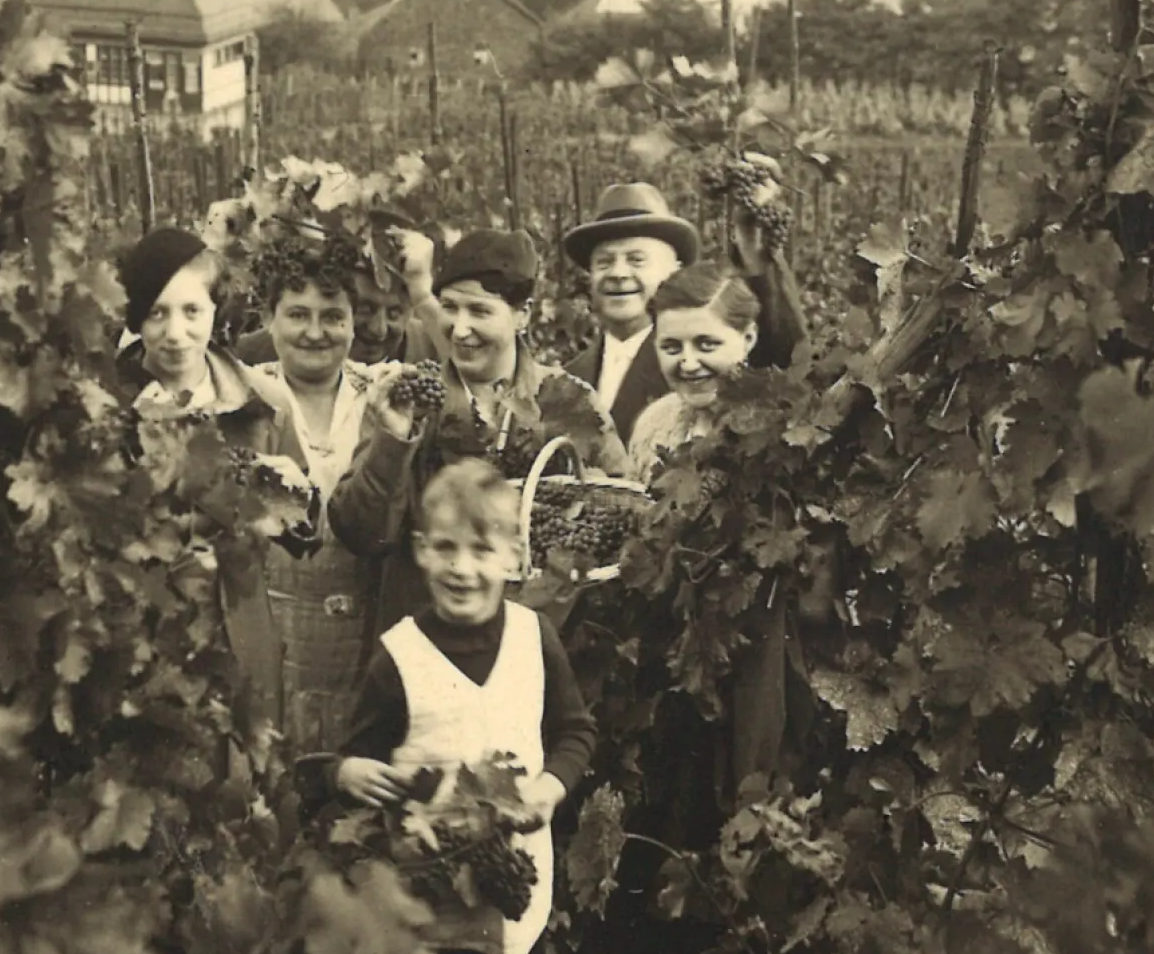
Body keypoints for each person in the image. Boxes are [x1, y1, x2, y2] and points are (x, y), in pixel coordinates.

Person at [332, 461, 598, 954]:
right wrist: (346, 772)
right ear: (421, 550)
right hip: (426, 890)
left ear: (513, 557)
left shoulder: (534, 637)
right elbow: (356, 753)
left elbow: (575, 732)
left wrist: (549, 788)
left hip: (513, 880)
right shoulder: (399, 658)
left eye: (482, 550)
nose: (462, 568)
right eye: (446, 547)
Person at [328, 229, 630, 636]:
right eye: (450, 308)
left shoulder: (569, 400)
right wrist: (392, 441)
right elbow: (361, 533)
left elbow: (620, 514)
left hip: (543, 639)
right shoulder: (413, 399)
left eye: (480, 311)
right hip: (428, 638)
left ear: (522, 314)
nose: (460, 328)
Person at [115, 227, 318, 738]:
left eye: (192, 311)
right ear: (136, 318)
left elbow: (302, 538)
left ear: (215, 311)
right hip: (144, 636)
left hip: (242, 631)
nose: (175, 332)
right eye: (157, 313)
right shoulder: (108, 406)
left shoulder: (264, 402)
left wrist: (298, 498)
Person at [238, 239, 388, 757]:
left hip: (364, 644)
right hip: (276, 641)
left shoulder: (381, 395)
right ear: (268, 317)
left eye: (333, 316)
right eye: (297, 314)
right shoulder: (242, 400)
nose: (315, 332)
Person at [562, 170, 808, 443]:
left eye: (636, 260)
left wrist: (757, 255)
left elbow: (787, 361)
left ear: (674, 270)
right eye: (604, 263)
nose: (618, 273)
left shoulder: (705, 362)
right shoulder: (569, 378)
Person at [235, 214, 442, 369]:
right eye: (365, 308)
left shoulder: (436, 347)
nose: (379, 330)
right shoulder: (254, 356)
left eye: (395, 313)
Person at [623, 262, 764, 480]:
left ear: (748, 338)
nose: (688, 364)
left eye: (706, 345)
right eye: (671, 347)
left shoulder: (773, 430)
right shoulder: (652, 426)